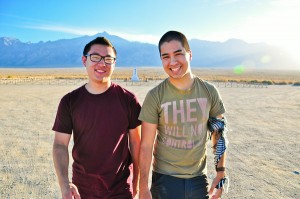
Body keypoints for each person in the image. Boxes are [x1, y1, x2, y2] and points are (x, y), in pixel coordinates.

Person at [138, 31, 229, 199]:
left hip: (198, 180)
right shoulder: (155, 96)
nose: (172, 62)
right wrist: (143, 188)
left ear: (190, 54)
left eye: (178, 54)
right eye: (165, 57)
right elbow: (146, 146)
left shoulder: (209, 92)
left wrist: (221, 172)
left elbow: (219, 134)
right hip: (164, 179)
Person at [52, 37, 141, 199]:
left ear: (114, 63)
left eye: (108, 59)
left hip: (120, 190)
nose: (102, 63)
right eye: (95, 57)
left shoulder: (128, 100)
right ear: (84, 60)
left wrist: (137, 180)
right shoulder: (70, 101)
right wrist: (64, 185)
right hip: (82, 190)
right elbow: (59, 145)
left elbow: (136, 142)